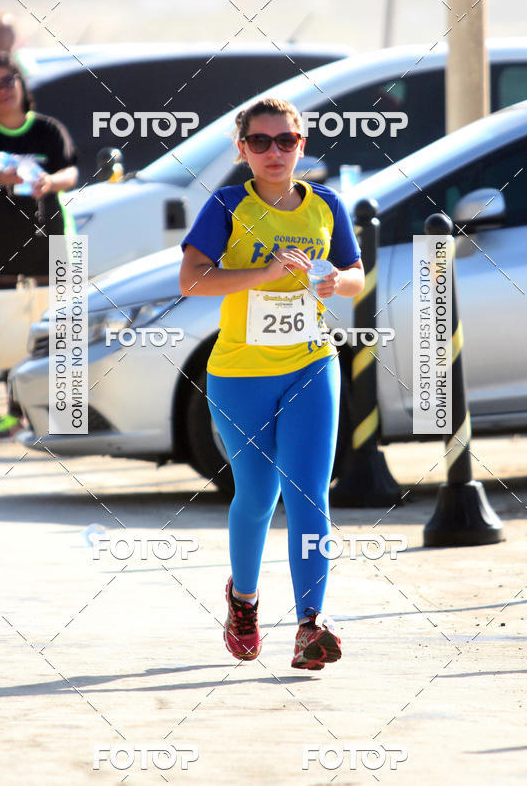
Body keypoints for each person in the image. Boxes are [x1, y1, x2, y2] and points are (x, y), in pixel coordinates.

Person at [179, 98, 365, 670]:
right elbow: (190, 280)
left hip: (311, 364)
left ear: (302, 145)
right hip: (238, 375)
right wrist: (262, 273)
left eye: (285, 140)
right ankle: (244, 601)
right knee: (258, 496)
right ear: (242, 151)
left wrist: (339, 282)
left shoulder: (326, 205)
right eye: (259, 142)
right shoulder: (228, 205)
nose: (274, 152)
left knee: (310, 490)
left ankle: (312, 623)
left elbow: (355, 274)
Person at [0, 51, 79, 441]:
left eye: (8, 80)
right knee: (10, 333)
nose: (3, 90)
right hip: (4, 249)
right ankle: (15, 414)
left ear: (22, 83)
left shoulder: (48, 129)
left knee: (64, 331)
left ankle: (66, 415)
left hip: (57, 242)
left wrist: (51, 182)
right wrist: (2, 177)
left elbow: (71, 171)